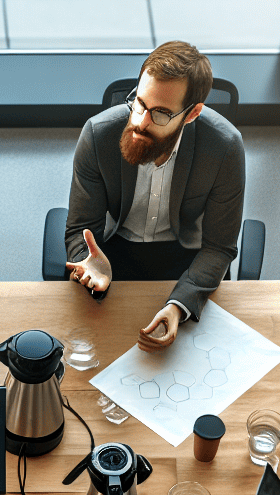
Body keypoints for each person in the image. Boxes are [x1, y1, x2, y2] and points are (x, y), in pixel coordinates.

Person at [62, 41, 244, 352]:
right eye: (140, 103)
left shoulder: (225, 148)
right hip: (111, 251)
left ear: (192, 114)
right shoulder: (98, 134)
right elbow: (81, 229)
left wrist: (178, 306)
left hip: (182, 254)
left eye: (160, 113)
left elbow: (218, 248)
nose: (140, 122)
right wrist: (87, 262)